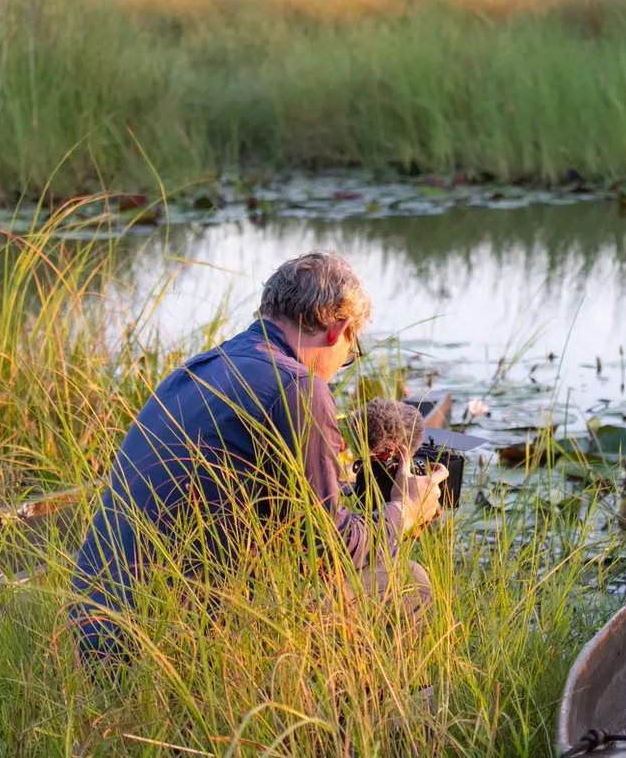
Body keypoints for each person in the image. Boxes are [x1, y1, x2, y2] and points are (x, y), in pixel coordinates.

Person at [70, 252, 443, 666]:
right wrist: (404, 511)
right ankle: (361, 724)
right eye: (351, 353)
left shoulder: (196, 369)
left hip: (93, 630)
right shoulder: (298, 386)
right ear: (338, 330)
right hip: (161, 644)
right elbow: (332, 549)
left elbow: (262, 514)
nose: (340, 369)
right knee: (410, 582)